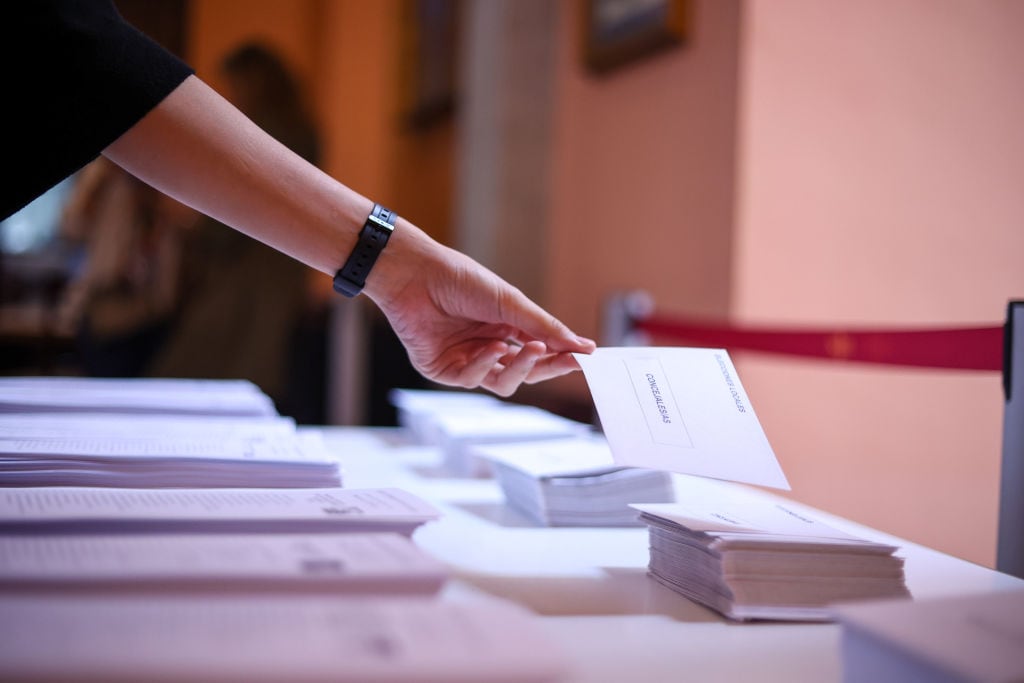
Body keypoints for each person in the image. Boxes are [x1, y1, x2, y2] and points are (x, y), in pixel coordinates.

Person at [4, 1, 595, 397]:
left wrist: (403, 272)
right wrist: (401, 270)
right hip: (282, 271)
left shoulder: (277, 123)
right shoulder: (297, 122)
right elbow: (85, 60)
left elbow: (79, 57)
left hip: (258, 279)